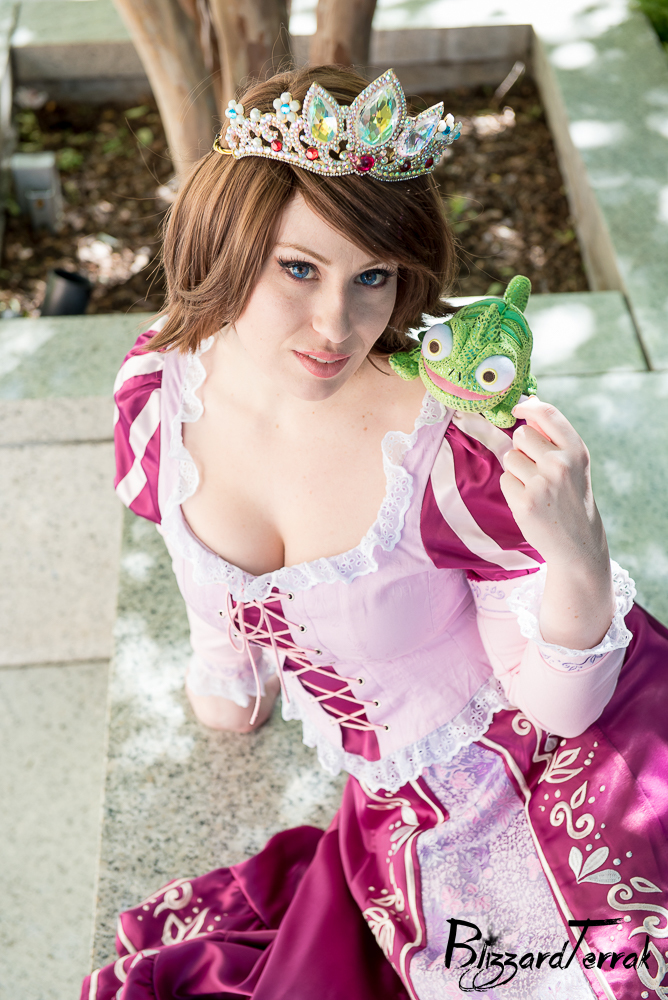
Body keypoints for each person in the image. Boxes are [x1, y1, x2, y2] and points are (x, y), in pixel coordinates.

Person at [87, 65, 668, 1000]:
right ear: (228, 243)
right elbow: (196, 562)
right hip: (393, 796)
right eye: (299, 268)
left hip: (536, 765)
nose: (337, 324)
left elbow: (561, 710)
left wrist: (579, 549)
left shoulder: (446, 456)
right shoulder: (161, 392)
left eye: (373, 277)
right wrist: (228, 677)